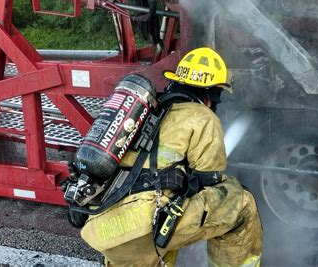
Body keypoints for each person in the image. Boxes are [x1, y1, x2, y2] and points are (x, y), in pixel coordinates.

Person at [80, 47, 263, 266]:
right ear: (210, 97)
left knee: (166, 211)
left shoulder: (145, 112)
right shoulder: (203, 117)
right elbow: (210, 182)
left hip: (102, 229)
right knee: (240, 203)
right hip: (147, 225)